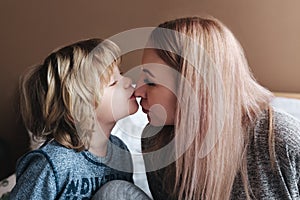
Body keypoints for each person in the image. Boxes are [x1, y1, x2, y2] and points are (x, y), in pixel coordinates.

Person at [133, 16, 300, 200]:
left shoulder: (280, 139)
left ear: (194, 86)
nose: (138, 91)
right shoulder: (156, 142)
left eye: (150, 81)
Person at [9, 38, 139, 199]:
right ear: (78, 109)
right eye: (112, 83)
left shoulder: (121, 152)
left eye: (122, 74)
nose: (127, 81)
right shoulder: (53, 163)